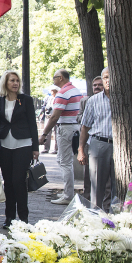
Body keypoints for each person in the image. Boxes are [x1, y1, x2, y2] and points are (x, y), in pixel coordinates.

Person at [0, 71, 39, 229]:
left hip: (23, 145)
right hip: (4, 146)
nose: (15, 83)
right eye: (12, 80)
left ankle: (24, 217)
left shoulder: (26, 100)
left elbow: (33, 124)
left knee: (19, 181)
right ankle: (9, 217)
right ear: (5, 83)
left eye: (17, 80)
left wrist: (35, 148)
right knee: (8, 183)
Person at [39, 69, 83, 205]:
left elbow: (54, 117)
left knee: (64, 162)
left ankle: (68, 195)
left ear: (61, 78)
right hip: (75, 127)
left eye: (55, 77)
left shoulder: (63, 93)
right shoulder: (75, 91)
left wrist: (44, 134)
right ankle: (67, 191)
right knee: (67, 161)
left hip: (66, 128)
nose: (53, 80)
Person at [78, 67, 117, 212]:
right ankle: (94, 218)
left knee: (117, 186)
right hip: (98, 144)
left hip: (119, 146)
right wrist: (81, 149)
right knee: (96, 185)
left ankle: (115, 219)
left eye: (110, 77)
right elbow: (85, 127)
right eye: (105, 77)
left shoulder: (123, 100)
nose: (108, 80)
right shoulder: (93, 101)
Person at [78, 76, 104, 200]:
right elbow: (80, 119)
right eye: (94, 85)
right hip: (90, 141)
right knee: (89, 176)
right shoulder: (86, 101)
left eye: (100, 84)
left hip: (102, 140)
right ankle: (87, 200)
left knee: (104, 179)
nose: (97, 87)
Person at [40, 86, 59, 154]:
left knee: (56, 133)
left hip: (55, 117)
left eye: (52, 91)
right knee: (47, 133)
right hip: (48, 117)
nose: (51, 92)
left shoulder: (58, 98)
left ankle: (56, 149)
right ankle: (46, 148)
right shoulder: (49, 98)